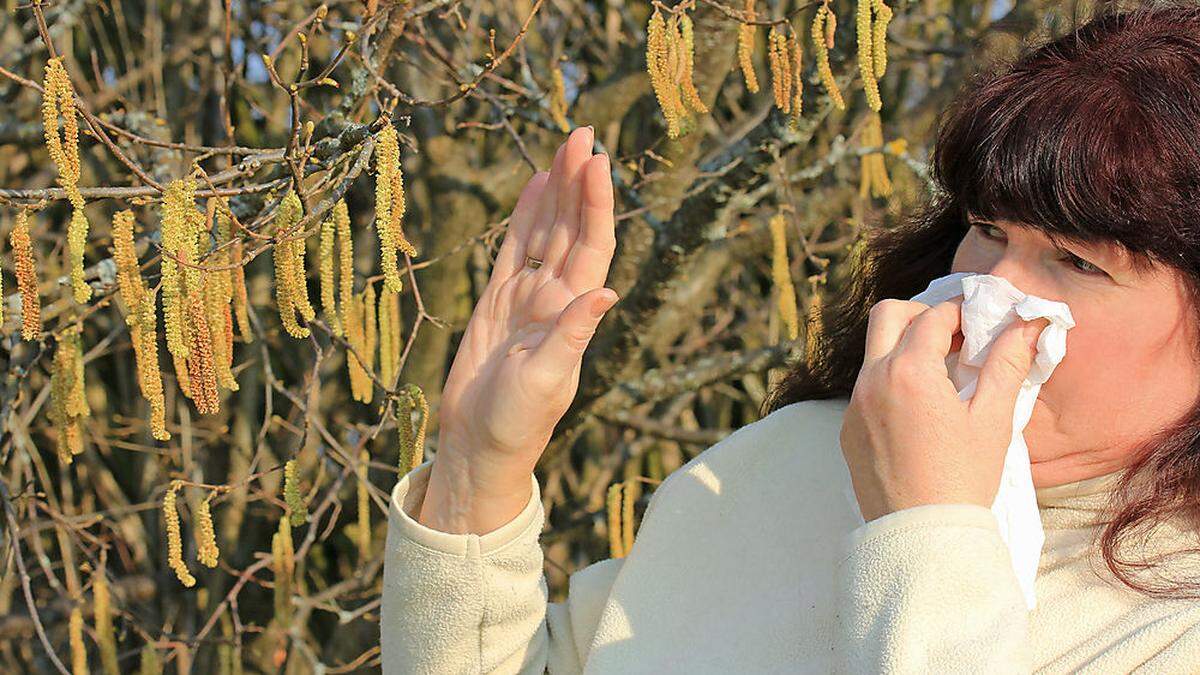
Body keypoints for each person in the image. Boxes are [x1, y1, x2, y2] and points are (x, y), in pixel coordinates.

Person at [381, 3, 1200, 672]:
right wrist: (474, 474)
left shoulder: (1173, 621)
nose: (994, 290)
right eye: (986, 229)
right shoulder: (783, 462)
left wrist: (929, 530)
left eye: (1076, 263)